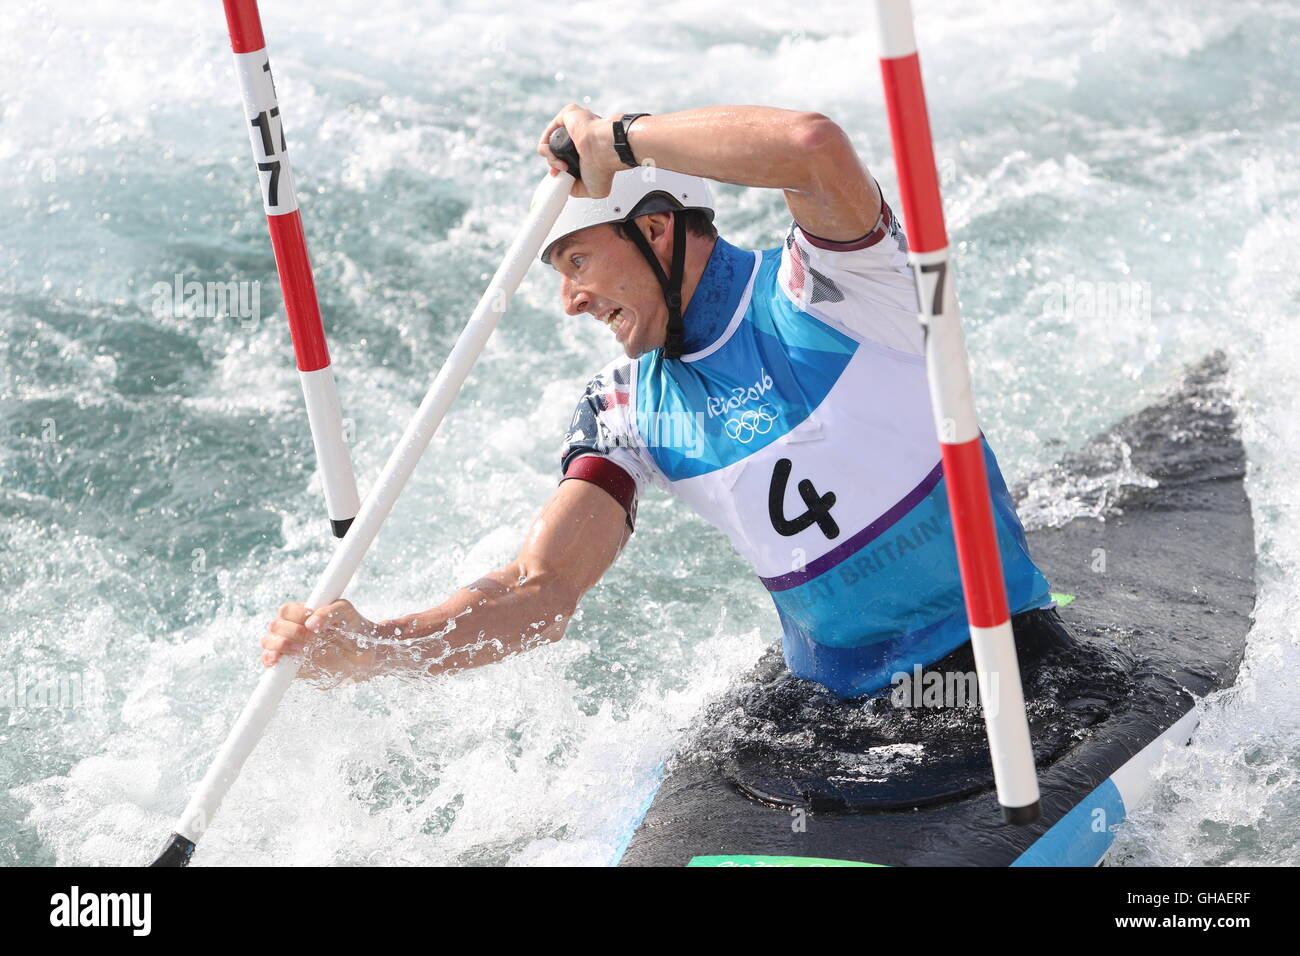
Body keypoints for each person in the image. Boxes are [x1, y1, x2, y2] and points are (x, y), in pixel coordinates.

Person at [260, 104, 1052, 697]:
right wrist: (381, 647)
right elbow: (541, 591)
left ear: (658, 230)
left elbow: (812, 150)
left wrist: (621, 140)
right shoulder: (624, 407)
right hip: (830, 703)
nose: (569, 300)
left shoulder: (832, 290)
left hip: (999, 659)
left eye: (576, 261)